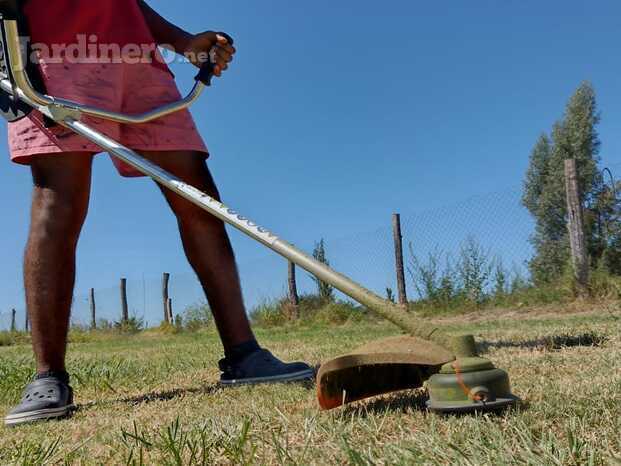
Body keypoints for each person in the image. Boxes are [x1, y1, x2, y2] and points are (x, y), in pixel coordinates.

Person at [3, 0, 313, 426]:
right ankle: (48, 379)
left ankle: (244, 354)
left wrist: (183, 42)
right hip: (51, 59)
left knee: (199, 197)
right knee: (58, 201)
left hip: (137, 63)